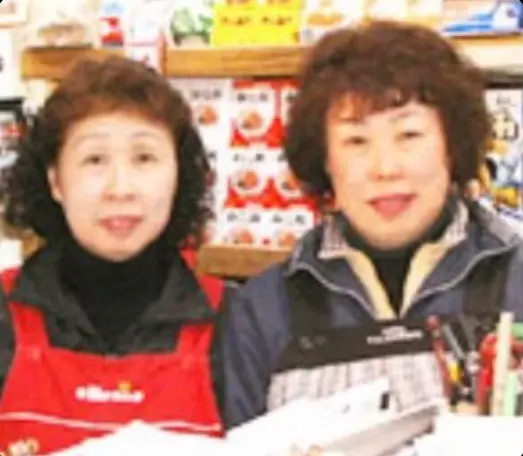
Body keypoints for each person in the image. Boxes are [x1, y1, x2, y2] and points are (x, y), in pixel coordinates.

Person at [223, 20, 523, 428]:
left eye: (409, 135)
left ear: (452, 147)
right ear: (326, 161)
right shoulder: (264, 308)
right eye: (356, 141)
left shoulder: (514, 280)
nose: (385, 167)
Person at [0, 56, 226, 454]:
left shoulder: (234, 321)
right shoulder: (4, 313)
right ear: (55, 181)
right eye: (94, 160)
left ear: (179, 175)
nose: (120, 188)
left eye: (144, 158)